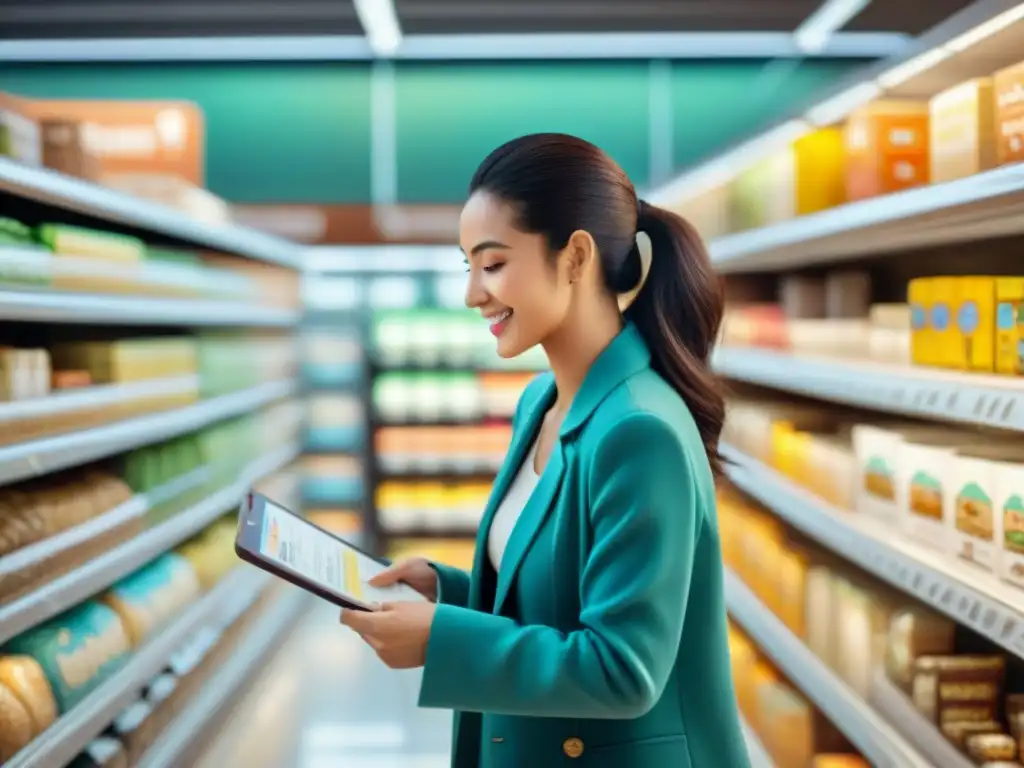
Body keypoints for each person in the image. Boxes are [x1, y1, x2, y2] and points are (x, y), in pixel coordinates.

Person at [341, 133, 750, 768]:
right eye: (467, 266)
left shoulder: (639, 432)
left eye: (494, 263)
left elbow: (622, 667)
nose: (473, 293)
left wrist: (443, 642)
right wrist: (450, 593)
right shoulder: (541, 402)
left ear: (576, 257)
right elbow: (554, 600)